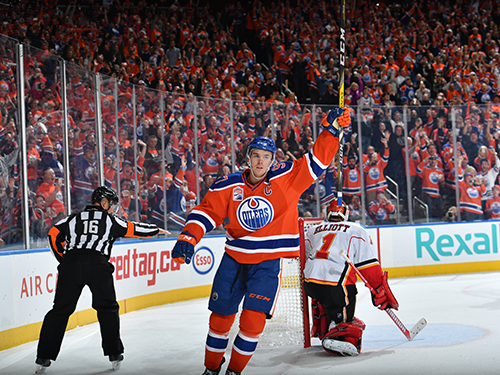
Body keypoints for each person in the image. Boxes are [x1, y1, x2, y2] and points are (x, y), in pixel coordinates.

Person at [171, 108, 352, 375]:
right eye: (256, 156)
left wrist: (331, 129)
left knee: (252, 322)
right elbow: (207, 212)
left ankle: (234, 371)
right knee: (220, 321)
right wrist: (189, 236)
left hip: (267, 264)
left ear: (272, 160)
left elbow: (317, 160)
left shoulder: (287, 178)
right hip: (233, 261)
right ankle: (211, 369)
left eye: (266, 157)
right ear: (248, 158)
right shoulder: (227, 185)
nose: (260, 162)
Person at [35, 186, 170, 373]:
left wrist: (64, 260)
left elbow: (53, 234)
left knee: (60, 310)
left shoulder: (73, 218)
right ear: (104, 203)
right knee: (107, 308)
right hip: (98, 264)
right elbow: (134, 228)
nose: (113, 209)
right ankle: (114, 353)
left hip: (71, 263)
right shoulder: (111, 220)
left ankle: (43, 357)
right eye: (112, 205)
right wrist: (156, 230)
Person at [302, 200, 398, 356]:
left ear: (327, 213)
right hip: (336, 287)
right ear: (346, 213)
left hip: (309, 285)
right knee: (346, 302)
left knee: (325, 298)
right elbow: (368, 266)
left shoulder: (312, 230)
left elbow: (305, 256)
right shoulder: (357, 230)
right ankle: (337, 332)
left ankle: (325, 328)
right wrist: (378, 289)